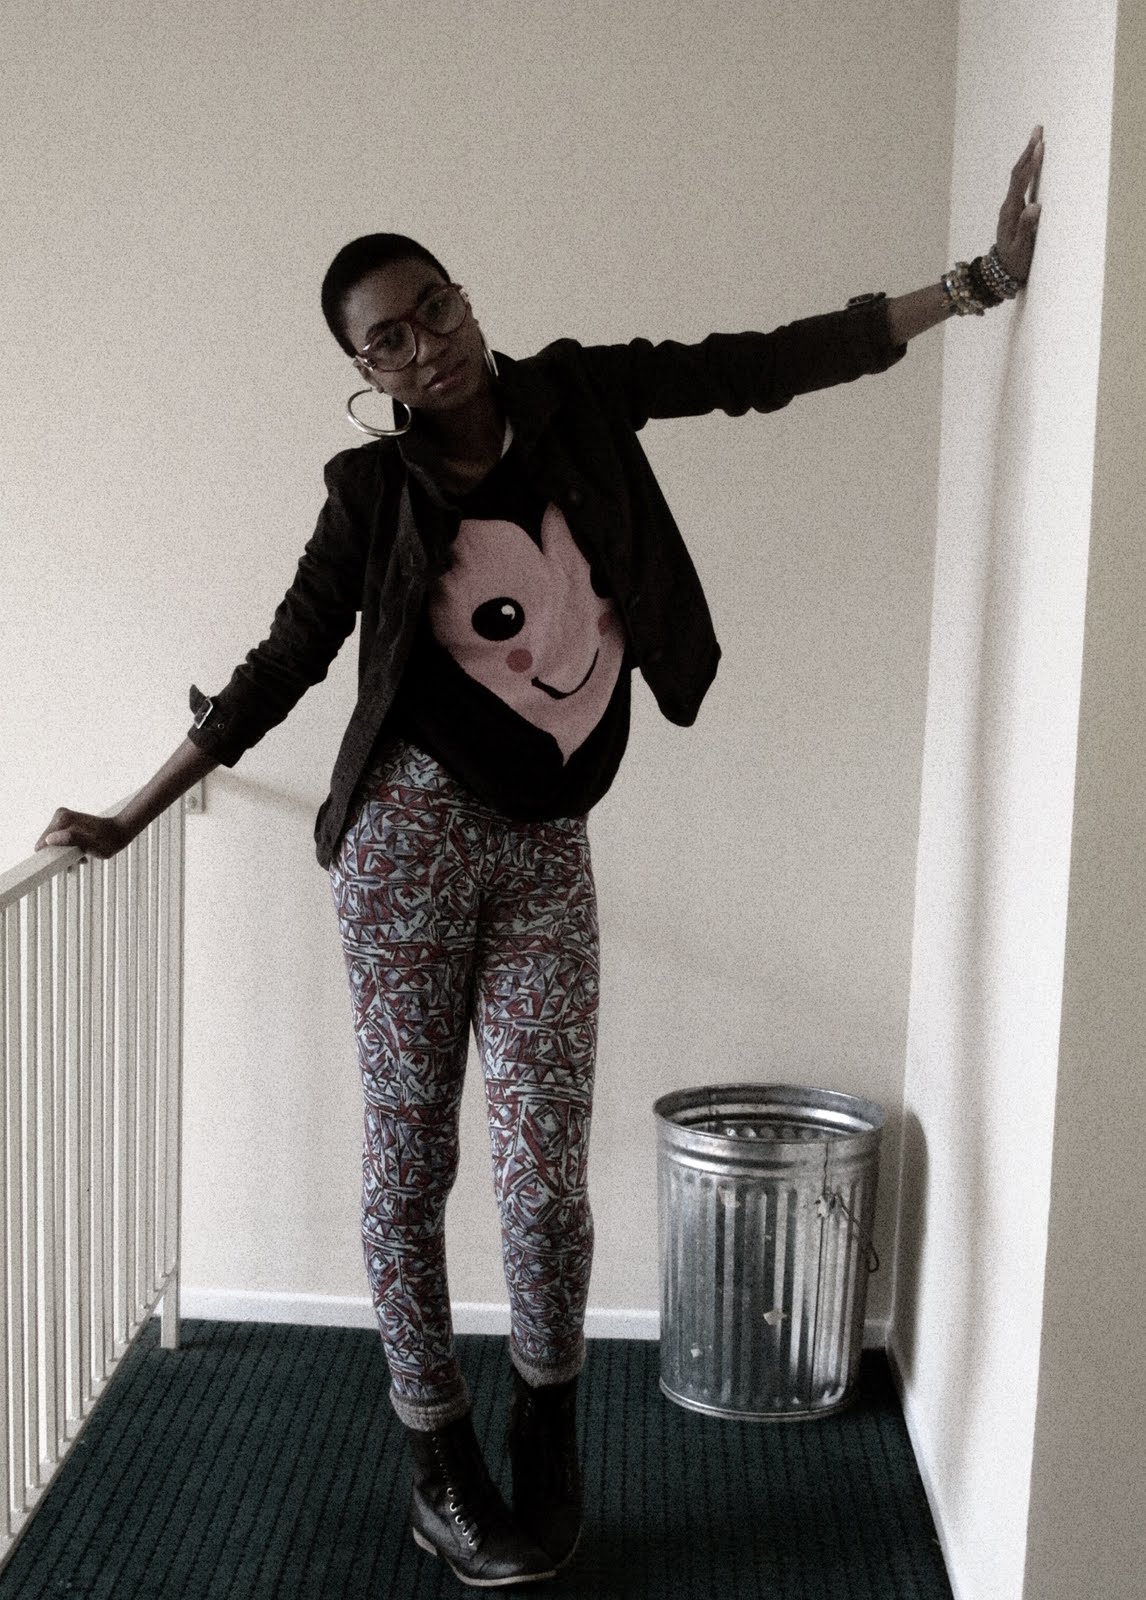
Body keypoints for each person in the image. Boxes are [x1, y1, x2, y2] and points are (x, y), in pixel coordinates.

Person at [36, 128, 1045, 1588]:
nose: (426, 346)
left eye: (433, 308)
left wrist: (974, 284)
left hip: (547, 846)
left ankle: (548, 1439)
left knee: (545, 1176)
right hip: (407, 846)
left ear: (465, 298)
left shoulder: (577, 395)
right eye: (388, 341)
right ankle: (438, 1465)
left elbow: (757, 363)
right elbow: (284, 660)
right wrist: (136, 809)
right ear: (366, 372)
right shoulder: (371, 494)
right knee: (412, 1157)